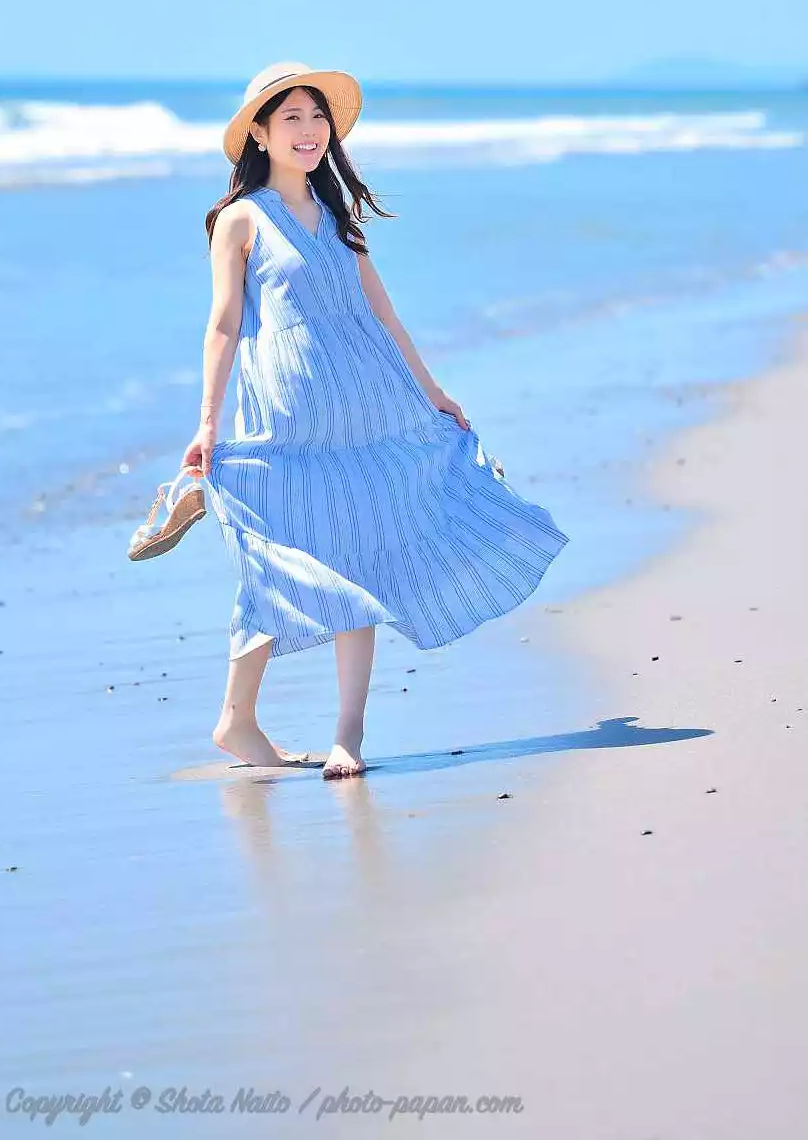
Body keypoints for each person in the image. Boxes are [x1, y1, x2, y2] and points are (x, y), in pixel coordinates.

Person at [182, 62, 569, 781]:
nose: (307, 130)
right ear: (260, 134)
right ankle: (237, 719)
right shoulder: (240, 220)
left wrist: (433, 393)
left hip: (366, 418)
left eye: (316, 117)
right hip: (285, 428)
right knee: (276, 562)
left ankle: (348, 736)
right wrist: (206, 424)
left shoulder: (336, 219)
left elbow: (382, 316)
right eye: (290, 117)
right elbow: (224, 325)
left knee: (360, 560)